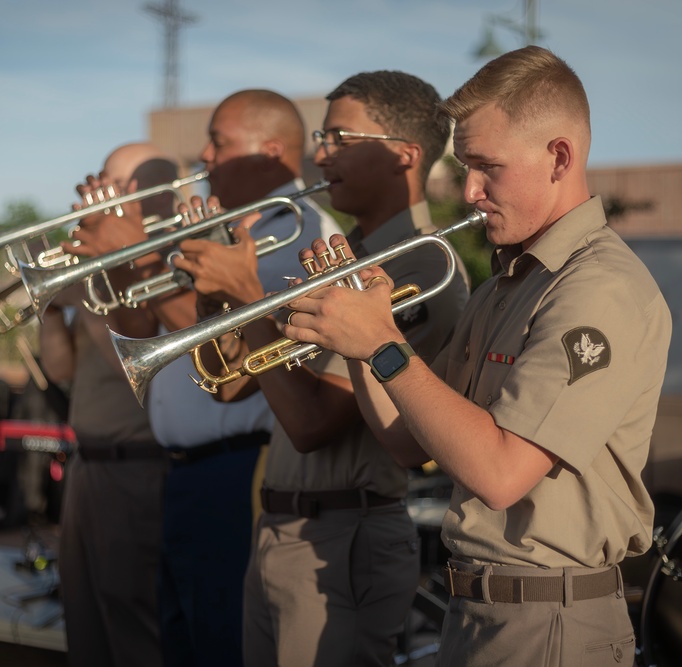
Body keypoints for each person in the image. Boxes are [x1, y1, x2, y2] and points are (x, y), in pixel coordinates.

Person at [282, 46, 673, 665]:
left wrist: (382, 344)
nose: (469, 191)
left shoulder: (598, 288)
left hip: (549, 620)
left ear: (560, 157)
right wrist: (358, 339)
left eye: (487, 167)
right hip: (479, 611)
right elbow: (407, 441)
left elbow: (499, 472)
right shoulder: (504, 286)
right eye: (466, 166)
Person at [173, 71, 469, 666]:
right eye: (321, 135)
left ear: (403, 156)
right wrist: (217, 299)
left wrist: (247, 291)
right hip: (282, 530)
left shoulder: (417, 267)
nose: (320, 153)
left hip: (342, 539)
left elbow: (311, 424)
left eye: (339, 137)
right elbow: (230, 384)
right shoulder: (344, 257)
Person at [143, 89, 337, 667]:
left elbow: (236, 357)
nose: (204, 155)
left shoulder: (301, 231)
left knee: (221, 643)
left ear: (268, 149)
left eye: (218, 141)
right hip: (189, 472)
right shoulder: (235, 224)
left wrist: (152, 264)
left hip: (238, 469)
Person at [38, 141, 179, 667]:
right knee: (86, 625)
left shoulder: (165, 263)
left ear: (144, 193)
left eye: (109, 184)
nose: (94, 193)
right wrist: (52, 311)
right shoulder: (101, 268)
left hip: (138, 466)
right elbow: (64, 372)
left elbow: (136, 358)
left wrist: (91, 297)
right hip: (87, 465)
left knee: (134, 628)